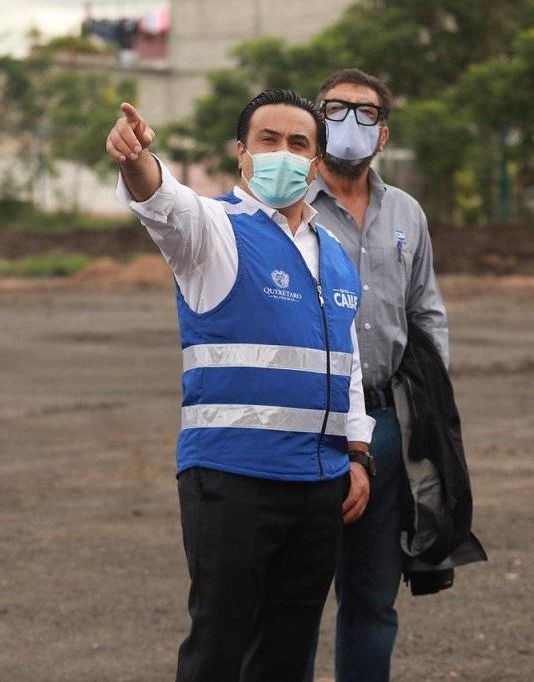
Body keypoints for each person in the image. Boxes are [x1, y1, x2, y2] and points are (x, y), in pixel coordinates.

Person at [105, 89, 375, 682]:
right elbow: (163, 200)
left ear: (317, 160)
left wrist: (357, 453)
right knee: (219, 650)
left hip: (318, 483)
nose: (284, 153)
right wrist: (136, 161)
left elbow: (346, 363)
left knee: (285, 653)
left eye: (299, 144)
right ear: (242, 155)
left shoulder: (333, 253)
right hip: (233, 481)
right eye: (268, 141)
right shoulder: (213, 231)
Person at [302, 68, 449, 682]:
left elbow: (426, 312)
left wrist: (431, 409)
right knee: (295, 598)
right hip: (307, 428)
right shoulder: (285, 207)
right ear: (316, 121)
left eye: (365, 114)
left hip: (387, 425)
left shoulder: (407, 213)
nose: (350, 124)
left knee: (372, 599)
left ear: (383, 134)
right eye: (337, 110)